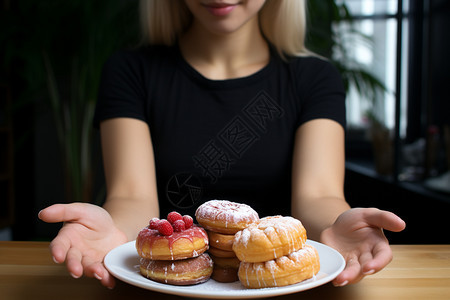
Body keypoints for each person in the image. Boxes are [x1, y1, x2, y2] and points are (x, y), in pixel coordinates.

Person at [38, 0, 406, 290]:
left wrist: (335, 226)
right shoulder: (130, 71)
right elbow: (133, 195)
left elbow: (318, 195)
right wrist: (115, 232)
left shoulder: (314, 78)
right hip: (166, 290)